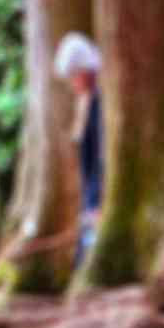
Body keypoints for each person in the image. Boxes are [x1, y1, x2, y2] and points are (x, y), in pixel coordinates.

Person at [55, 31, 103, 261]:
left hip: (99, 200)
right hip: (89, 198)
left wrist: (95, 204)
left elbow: (101, 156)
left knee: (89, 254)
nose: (71, 83)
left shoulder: (100, 102)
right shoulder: (85, 101)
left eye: (73, 75)